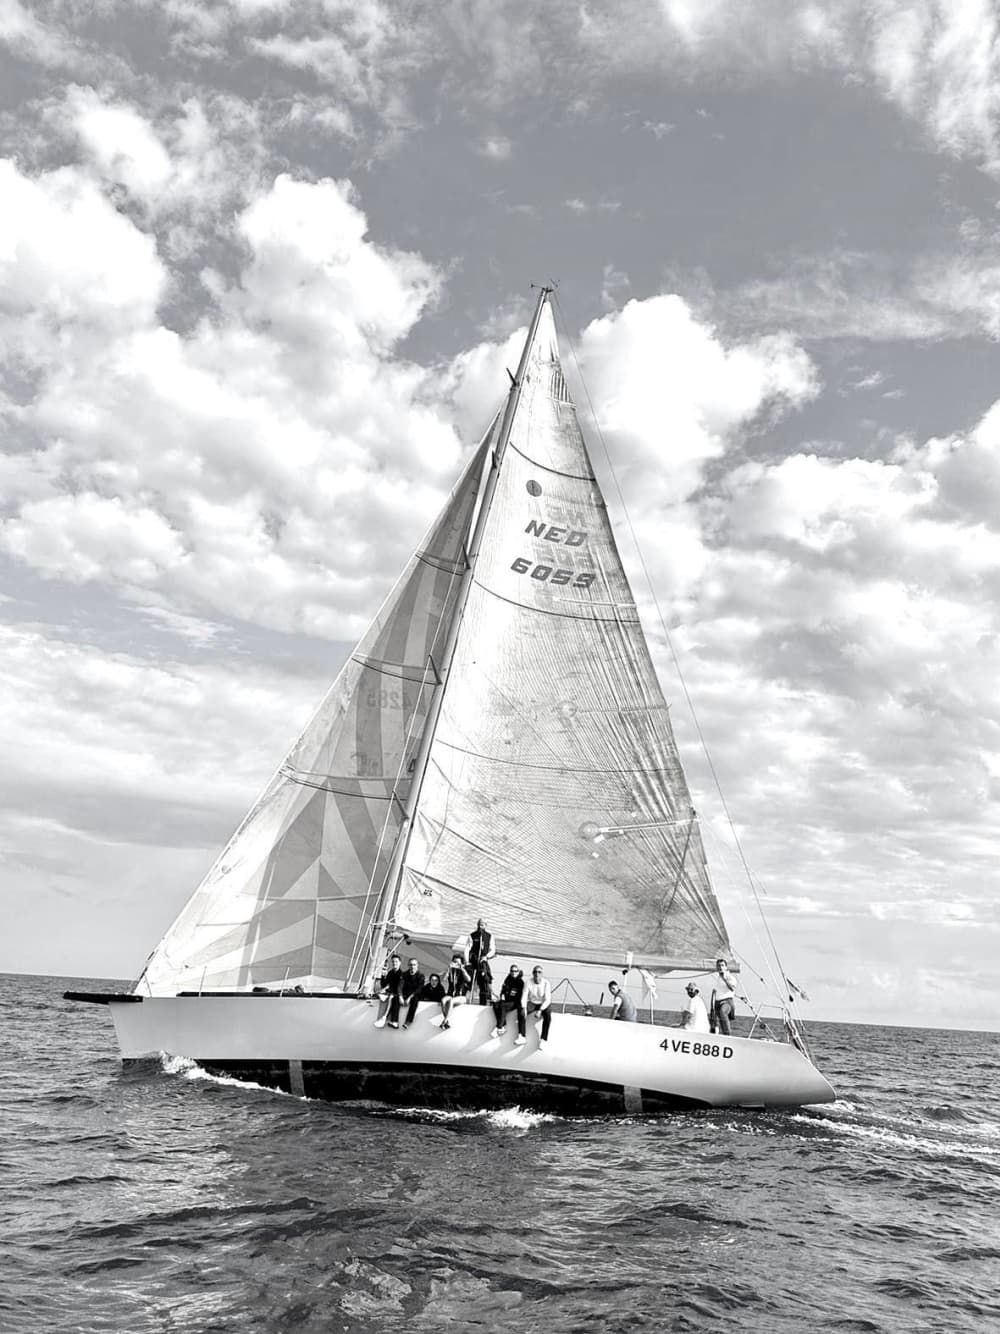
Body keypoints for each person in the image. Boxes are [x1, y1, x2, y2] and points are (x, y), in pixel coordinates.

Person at [491, 964, 527, 1043]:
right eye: (512, 971)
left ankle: (499, 1027)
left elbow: (520, 996)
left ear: (518, 972)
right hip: (507, 1000)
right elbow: (503, 990)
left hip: (515, 1002)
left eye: (515, 971)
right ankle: (502, 1024)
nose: (514, 972)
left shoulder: (520, 982)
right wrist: (501, 996)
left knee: (503, 1006)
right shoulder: (508, 979)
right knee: (495, 1005)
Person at [524, 965, 552, 1050]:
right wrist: (523, 1008)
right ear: (532, 973)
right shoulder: (528, 982)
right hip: (532, 1003)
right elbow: (524, 996)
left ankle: (543, 1039)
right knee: (521, 1013)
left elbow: (548, 1000)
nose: (537, 974)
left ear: (542, 974)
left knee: (548, 1016)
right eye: (535, 972)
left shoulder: (546, 983)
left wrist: (540, 1010)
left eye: (539, 972)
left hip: (543, 1004)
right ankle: (521, 1035)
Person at [440, 954, 471, 1029]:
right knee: (443, 1000)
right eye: (454, 962)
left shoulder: (464, 971)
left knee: (451, 1001)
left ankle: (445, 1020)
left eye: (458, 963)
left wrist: (462, 969)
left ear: (462, 964)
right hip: (450, 994)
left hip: (461, 996)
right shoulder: (451, 971)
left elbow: (469, 979)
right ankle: (446, 1021)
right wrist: (448, 969)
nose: (456, 964)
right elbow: (443, 979)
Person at [374, 954, 404, 1028]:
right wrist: (383, 976)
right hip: (390, 992)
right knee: (378, 996)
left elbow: (400, 988)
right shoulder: (390, 973)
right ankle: (380, 1017)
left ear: (400, 963)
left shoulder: (402, 974)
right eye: (393, 962)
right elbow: (384, 984)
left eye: (396, 962)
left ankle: (385, 1018)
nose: (394, 963)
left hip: (397, 994)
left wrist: (390, 992)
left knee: (392, 998)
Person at [712, 958, 739, 1035]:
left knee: (722, 1012)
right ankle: (717, 1035)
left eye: (722, 965)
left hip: (727, 1002)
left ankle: (727, 1035)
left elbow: (732, 988)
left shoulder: (730, 977)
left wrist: (725, 979)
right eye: (719, 965)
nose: (720, 967)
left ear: (726, 967)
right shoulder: (718, 978)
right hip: (717, 1002)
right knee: (715, 1019)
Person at [400, 957, 425, 1029]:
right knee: (395, 999)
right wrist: (400, 996)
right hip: (405, 994)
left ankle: (408, 1021)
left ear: (417, 965)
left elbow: (419, 989)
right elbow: (400, 986)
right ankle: (393, 1020)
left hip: (414, 995)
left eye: (414, 965)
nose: (412, 967)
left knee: (415, 1001)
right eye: (410, 965)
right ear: (408, 965)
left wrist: (409, 997)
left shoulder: (421, 976)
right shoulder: (404, 974)